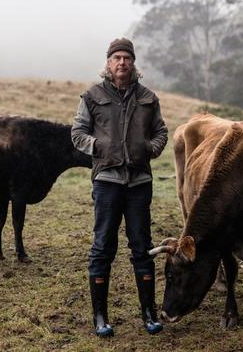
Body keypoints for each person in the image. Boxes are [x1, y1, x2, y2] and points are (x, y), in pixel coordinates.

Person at [71, 37, 168, 337]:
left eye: (127, 58)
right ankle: (100, 317)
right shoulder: (91, 96)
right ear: (109, 63)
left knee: (143, 248)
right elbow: (77, 132)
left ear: (133, 63)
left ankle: (149, 314)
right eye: (117, 58)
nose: (122, 63)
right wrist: (98, 146)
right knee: (103, 248)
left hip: (139, 183)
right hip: (107, 182)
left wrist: (149, 149)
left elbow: (161, 132)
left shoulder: (149, 98)